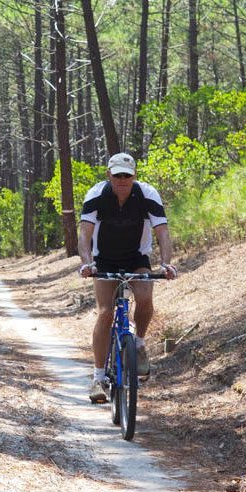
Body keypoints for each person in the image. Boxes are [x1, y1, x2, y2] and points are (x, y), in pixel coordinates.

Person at [78, 152, 177, 403]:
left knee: (144, 299)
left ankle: (140, 345)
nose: (122, 180)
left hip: (136, 258)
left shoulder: (147, 194)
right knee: (105, 313)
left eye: (127, 175)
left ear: (134, 176)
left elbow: (162, 233)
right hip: (105, 259)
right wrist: (87, 263)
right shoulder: (96, 195)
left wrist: (166, 263)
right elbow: (84, 235)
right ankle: (98, 378)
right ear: (108, 175)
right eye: (117, 175)